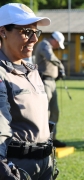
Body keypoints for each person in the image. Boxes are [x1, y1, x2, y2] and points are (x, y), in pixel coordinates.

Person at [0, 3, 56, 180]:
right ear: (3, 32)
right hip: (17, 166)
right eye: (26, 32)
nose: (34, 39)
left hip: (45, 161)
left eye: (36, 32)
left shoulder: (31, 70)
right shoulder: (2, 73)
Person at [34, 31, 66, 147]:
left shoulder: (49, 46)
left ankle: (52, 138)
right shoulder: (44, 45)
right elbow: (49, 57)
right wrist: (61, 66)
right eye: (58, 44)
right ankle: (43, 139)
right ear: (55, 41)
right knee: (45, 112)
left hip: (51, 82)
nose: (58, 46)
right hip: (45, 82)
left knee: (54, 111)